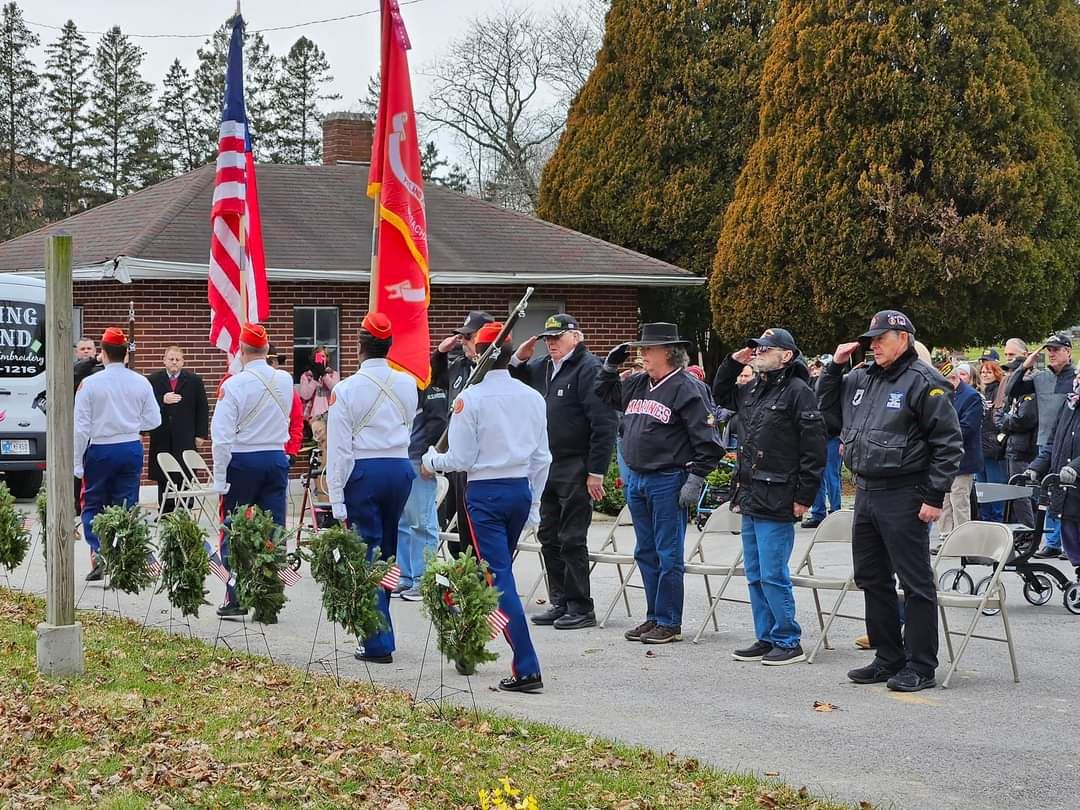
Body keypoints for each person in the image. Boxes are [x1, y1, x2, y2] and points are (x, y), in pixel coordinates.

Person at [818, 310, 962, 692]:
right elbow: (828, 415)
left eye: (881, 338)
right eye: (871, 338)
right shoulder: (862, 377)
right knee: (872, 578)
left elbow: (947, 444)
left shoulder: (924, 381)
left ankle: (921, 666)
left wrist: (934, 496)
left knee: (915, 583)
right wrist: (833, 368)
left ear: (904, 338)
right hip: (867, 491)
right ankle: (887, 656)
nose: (873, 344)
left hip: (905, 492)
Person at [422, 322, 551, 692]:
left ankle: (526, 665)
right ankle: (473, 640)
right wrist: (535, 504)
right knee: (493, 573)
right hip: (519, 489)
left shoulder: (471, 399)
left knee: (497, 577)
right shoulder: (532, 398)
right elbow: (543, 458)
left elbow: (461, 457)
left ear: (477, 353)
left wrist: (433, 459)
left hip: (486, 494)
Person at [595, 323, 723, 645]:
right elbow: (607, 396)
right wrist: (609, 368)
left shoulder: (687, 388)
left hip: (668, 478)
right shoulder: (639, 383)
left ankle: (669, 621)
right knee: (645, 551)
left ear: (668, 352)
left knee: (668, 553)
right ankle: (653, 616)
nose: (642, 354)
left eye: (648, 349)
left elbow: (708, 440)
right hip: (638, 478)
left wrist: (696, 479)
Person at [713, 328, 826, 665]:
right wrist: (734, 362)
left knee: (773, 572)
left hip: (779, 492)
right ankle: (765, 636)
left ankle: (788, 639)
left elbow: (814, 449)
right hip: (750, 490)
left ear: (786, 355)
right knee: (755, 571)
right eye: (757, 348)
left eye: (766, 348)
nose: (758, 352)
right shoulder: (753, 389)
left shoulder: (798, 392)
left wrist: (805, 495)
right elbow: (720, 394)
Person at [510, 313, 618, 630]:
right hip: (548, 462)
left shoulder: (589, 368)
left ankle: (581, 606)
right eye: (548, 338)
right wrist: (518, 358)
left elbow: (604, 423)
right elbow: (515, 381)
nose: (552, 343)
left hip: (576, 462)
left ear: (577, 337)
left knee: (572, 537)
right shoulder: (544, 366)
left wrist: (596, 470)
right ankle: (560, 601)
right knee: (549, 535)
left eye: (558, 337)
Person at [324, 313, 417, 661]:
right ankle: (381, 627)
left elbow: (339, 452)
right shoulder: (408, 384)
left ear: (359, 346)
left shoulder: (345, 390)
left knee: (367, 553)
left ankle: (376, 640)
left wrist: (337, 502)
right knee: (388, 553)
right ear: (389, 346)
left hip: (365, 470)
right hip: (398, 467)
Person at [210, 324, 294, 618]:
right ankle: (269, 596)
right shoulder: (284, 380)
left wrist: (220, 478)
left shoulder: (233, 385)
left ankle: (236, 596)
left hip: (243, 460)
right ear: (268, 349)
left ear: (241, 351)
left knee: (234, 530)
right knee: (273, 528)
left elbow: (221, 437)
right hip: (274, 457)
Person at [74, 328, 160, 582]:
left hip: (100, 447)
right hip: (131, 446)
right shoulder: (141, 381)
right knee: (126, 504)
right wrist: (132, 423)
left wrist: (77, 462)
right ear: (124, 355)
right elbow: (154, 420)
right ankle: (123, 556)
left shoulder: (90, 383)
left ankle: (101, 553)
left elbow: (80, 428)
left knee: (93, 504)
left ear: (102, 354)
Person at [431, 310, 494, 557]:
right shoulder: (458, 366)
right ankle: (461, 578)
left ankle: (480, 580)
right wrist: (440, 353)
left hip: (482, 463)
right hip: (456, 460)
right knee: (453, 525)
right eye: (463, 337)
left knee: (476, 530)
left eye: (469, 336)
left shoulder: (497, 369)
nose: (464, 342)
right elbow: (434, 381)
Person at [1009, 333, 1075, 559]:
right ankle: (1053, 542)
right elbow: (1011, 390)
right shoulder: (1041, 377)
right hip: (1045, 441)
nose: (1052, 354)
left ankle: (1067, 544)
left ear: (1069, 351)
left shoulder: (1075, 377)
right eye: (1049, 350)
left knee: (1067, 493)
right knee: (1046, 493)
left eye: (1057, 349)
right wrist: (1023, 366)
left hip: (1071, 442)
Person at [1024, 365, 1080, 580]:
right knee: (1070, 533)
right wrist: (1036, 467)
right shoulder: (1069, 405)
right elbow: (1052, 443)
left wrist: (1075, 467)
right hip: (1065, 486)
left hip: (1074, 478)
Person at [396, 382, 448, 601]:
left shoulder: (430, 387)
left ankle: (423, 580)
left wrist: (431, 458)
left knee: (422, 523)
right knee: (402, 523)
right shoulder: (402, 385)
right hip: (402, 457)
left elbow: (439, 425)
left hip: (420, 460)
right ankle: (406, 576)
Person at [146, 346, 209, 512]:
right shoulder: (153, 380)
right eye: (171, 359)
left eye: (177, 359)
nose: (174, 362)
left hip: (186, 434)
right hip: (162, 434)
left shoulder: (194, 380)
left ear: (183, 362)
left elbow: (202, 408)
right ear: (164, 361)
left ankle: (184, 509)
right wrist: (162, 400)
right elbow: (146, 406)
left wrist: (201, 434)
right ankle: (166, 509)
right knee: (164, 473)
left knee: (185, 470)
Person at [937, 361, 982, 538]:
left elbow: (967, 428)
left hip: (963, 457)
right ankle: (945, 535)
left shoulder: (971, 396)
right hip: (942, 456)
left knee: (959, 499)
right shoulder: (941, 393)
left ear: (954, 378)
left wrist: (941, 436)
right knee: (943, 499)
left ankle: (963, 538)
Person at [996, 342, 1037, 528]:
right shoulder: (1013, 395)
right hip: (1011, 447)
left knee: (1021, 494)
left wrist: (1006, 420)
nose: (1011, 374)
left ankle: (1029, 531)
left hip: (1023, 449)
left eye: (1014, 371)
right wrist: (1006, 419)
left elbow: (1023, 420)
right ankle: (1020, 528)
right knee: (1013, 493)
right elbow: (999, 416)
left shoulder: (1031, 391)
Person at [805, 354, 841, 529]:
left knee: (831, 476)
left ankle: (835, 511)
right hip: (814, 438)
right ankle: (817, 513)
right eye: (815, 366)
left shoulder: (838, 385)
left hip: (832, 436)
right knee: (815, 476)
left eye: (821, 366)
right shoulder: (809, 386)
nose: (817, 370)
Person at [975, 353, 1008, 521]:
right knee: (981, 489)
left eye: (989, 371)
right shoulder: (979, 393)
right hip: (980, 447)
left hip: (994, 447)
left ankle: (997, 520)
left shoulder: (999, 392)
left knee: (995, 487)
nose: (985, 375)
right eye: (982, 372)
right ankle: (985, 519)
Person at [267, 344, 305, 461]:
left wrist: (292, 449)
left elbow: (296, 420)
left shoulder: (286, 386)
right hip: (271, 450)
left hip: (279, 450)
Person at [298, 345, 340, 425]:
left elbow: (335, 390)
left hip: (329, 414)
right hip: (312, 416)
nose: (321, 359)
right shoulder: (306, 376)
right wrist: (314, 379)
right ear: (314, 359)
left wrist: (324, 375)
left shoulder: (333, 374)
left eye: (323, 356)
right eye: (319, 357)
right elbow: (305, 395)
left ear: (327, 358)